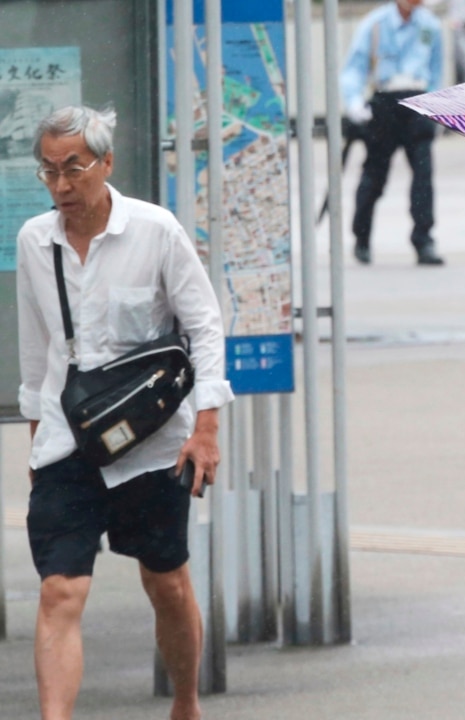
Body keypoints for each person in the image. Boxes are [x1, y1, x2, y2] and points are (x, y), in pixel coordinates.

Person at [15, 106, 234, 720]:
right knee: (60, 590)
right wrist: (38, 443)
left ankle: (186, 704)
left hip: (154, 444)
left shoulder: (156, 231)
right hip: (68, 444)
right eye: (50, 172)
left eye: (74, 169)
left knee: (166, 584)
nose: (62, 186)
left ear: (107, 164)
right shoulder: (35, 240)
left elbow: (205, 327)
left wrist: (207, 427)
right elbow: (37, 352)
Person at [341, 0, 446, 266]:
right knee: (374, 174)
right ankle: (361, 238)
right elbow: (354, 68)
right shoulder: (374, 24)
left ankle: (423, 239)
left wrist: (438, 107)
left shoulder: (430, 26)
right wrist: (354, 102)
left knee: (423, 175)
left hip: (418, 103)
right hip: (385, 102)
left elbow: (435, 72)